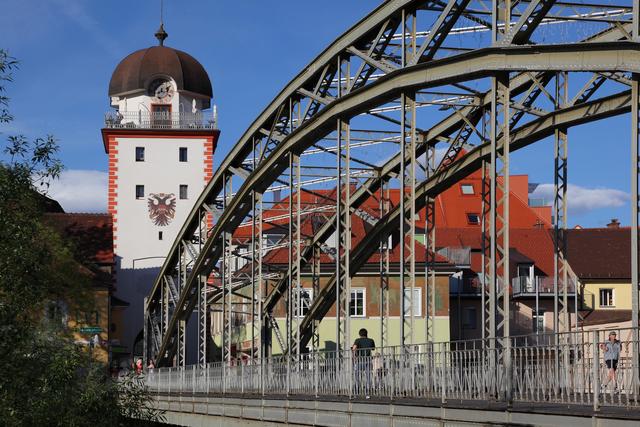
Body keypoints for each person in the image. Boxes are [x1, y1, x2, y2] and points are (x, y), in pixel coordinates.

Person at [352, 328, 375, 398]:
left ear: (360, 334)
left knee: (357, 377)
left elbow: (354, 348)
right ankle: (367, 394)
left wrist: (355, 356)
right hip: (368, 360)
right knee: (368, 377)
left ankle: (356, 393)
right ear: (366, 333)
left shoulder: (357, 340)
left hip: (360, 360)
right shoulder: (371, 340)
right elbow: (373, 348)